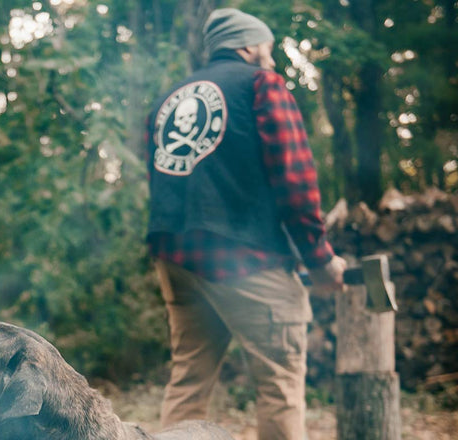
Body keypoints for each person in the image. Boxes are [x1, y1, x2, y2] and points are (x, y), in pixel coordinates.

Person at [145, 8, 346, 440]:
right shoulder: (261, 85)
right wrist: (319, 258)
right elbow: (295, 178)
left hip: (177, 259)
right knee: (279, 384)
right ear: (248, 45)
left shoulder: (170, 99)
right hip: (246, 258)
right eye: (268, 49)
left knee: (189, 382)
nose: (271, 61)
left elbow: (162, 180)